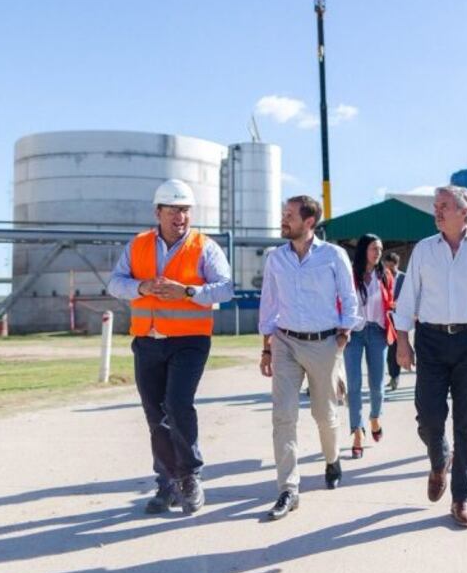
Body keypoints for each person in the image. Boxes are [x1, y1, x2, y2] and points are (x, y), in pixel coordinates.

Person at [108, 179, 234, 515]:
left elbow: (225, 289)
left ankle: (190, 477)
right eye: (173, 209)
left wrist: (189, 292)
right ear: (158, 212)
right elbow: (115, 283)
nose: (181, 216)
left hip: (190, 341)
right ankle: (167, 483)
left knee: (178, 405)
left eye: (185, 209)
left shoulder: (204, 247)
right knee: (156, 416)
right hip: (147, 341)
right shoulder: (137, 245)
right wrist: (141, 286)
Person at [395, 186, 467, 528]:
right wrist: (402, 341)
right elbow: (407, 300)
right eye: (435, 206)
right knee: (429, 417)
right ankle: (439, 459)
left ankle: (462, 497)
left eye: (444, 206)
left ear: (464, 211)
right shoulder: (423, 250)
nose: (437, 211)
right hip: (431, 339)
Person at [258, 195, 360, 521]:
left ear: (309, 222)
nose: (283, 220)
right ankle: (288, 488)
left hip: (324, 343)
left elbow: (349, 297)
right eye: (284, 213)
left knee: (323, 414)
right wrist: (266, 346)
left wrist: (343, 334)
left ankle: (332, 459)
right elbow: (269, 303)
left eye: (289, 215)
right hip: (285, 342)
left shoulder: (333, 256)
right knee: (283, 417)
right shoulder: (276, 258)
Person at [343, 234, 397, 459]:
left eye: (380, 249)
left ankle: (375, 416)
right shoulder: (350, 275)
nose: (378, 253)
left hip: (377, 333)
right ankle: (357, 431)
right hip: (353, 334)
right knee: (353, 385)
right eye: (374, 248)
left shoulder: (385, 275)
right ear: (364, 249)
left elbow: (390, 302)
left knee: (377, 384)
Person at [383, 252, 405, 391]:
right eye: (387, 267)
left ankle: (395, 376)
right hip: (384, 318)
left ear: (397, 265)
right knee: (386, 350)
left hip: (399, 319)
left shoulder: (405, 278)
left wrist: (399, 303)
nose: (389, 270)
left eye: (392, 267)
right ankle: (392, 376)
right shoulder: (381, 276)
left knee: (394, 349)